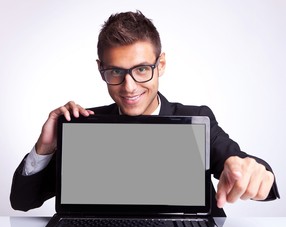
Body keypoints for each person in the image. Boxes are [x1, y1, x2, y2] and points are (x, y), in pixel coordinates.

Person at [10, 11, 279, 214]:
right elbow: (22, 202)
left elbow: (242, 165)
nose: (129, 87)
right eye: (116, 71)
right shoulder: (84, 124)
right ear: (101, 70)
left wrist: (256, 173)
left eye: (141, 69)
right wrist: (44, 148)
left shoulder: (198, 119)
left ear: (160, 64)